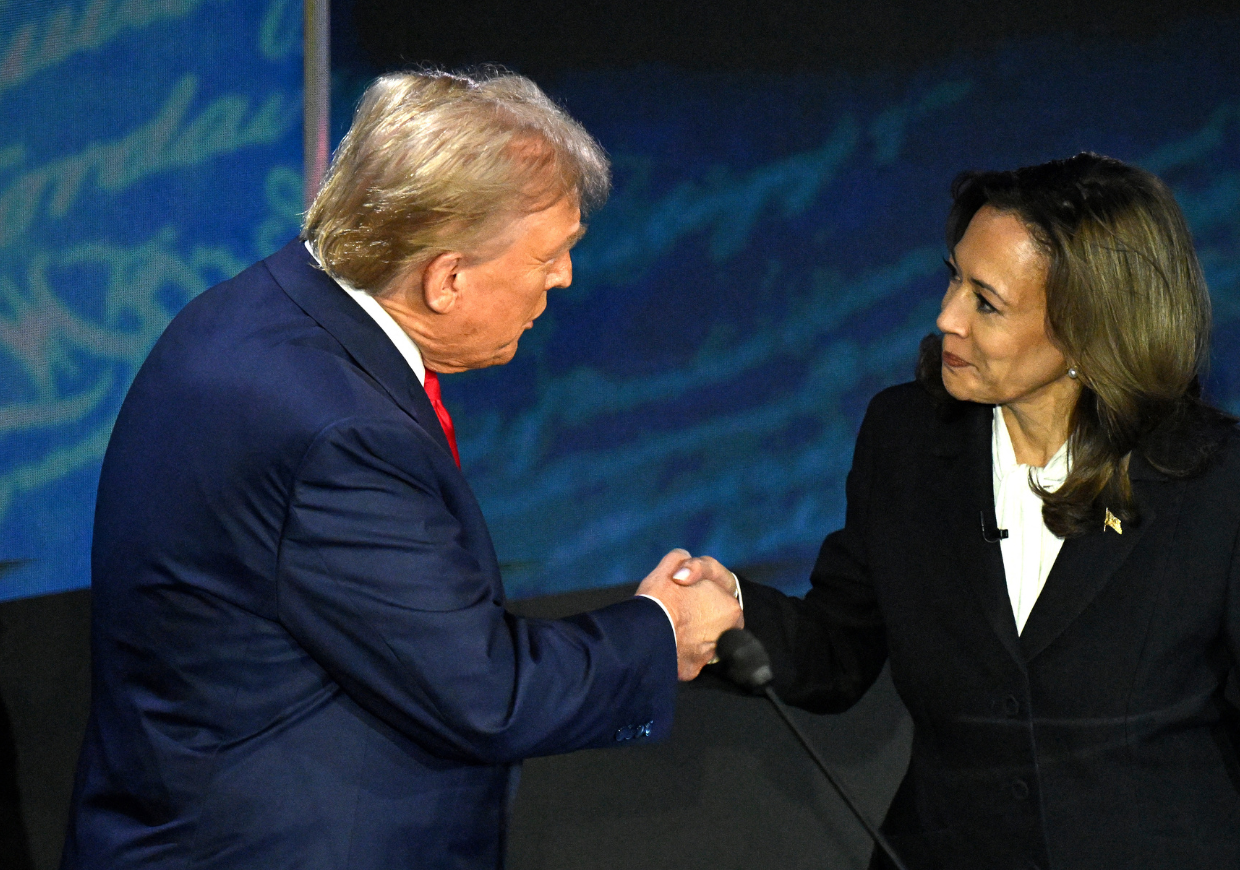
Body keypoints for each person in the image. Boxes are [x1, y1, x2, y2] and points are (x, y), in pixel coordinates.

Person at [62, 69, 741, 870]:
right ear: (446, 278)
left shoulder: (264, 311)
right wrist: (661, 633)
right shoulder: (338, 431)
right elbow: (486, 694)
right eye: (551, 256)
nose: (561, 279)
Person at [679, 153, 1240, 868]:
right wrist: (731, 614)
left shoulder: (1228, 493)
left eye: (986, 301)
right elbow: (837, 651)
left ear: (1087, 328)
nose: (946, 316)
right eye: (953, 276)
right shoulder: (906, 441)